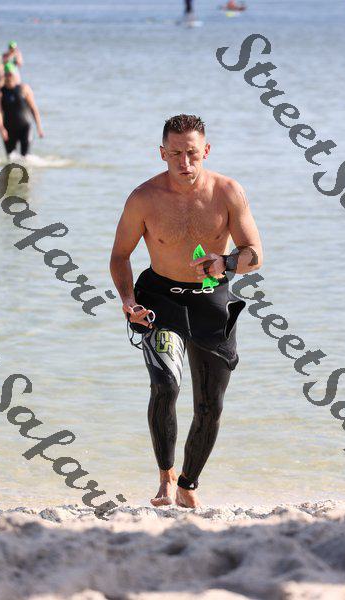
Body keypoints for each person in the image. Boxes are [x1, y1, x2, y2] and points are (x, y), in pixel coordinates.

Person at [110, 114, 263, 508]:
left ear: (206, 150)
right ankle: (165, 475)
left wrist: (226, 262)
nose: (185, 162)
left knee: (210, 405)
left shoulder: (228, 192)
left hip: (211, 301)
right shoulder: (143, 198)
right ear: (162, 153)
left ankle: (187, 484)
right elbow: (120, 256)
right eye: (175, 153)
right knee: (165, 385)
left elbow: (255, 255)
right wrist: (128, 301)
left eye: (192, 153)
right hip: (160, 301)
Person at [0, 62, 44, 157]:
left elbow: (34, 109)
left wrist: (39, 127)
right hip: (8, 128)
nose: (9, 77)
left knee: (26, 157)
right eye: (7, 74)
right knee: (10, 157)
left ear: (15, 74)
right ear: (4, 75)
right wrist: (1, 128)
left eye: (11, 74)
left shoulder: (24, 88)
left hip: (25, 127)